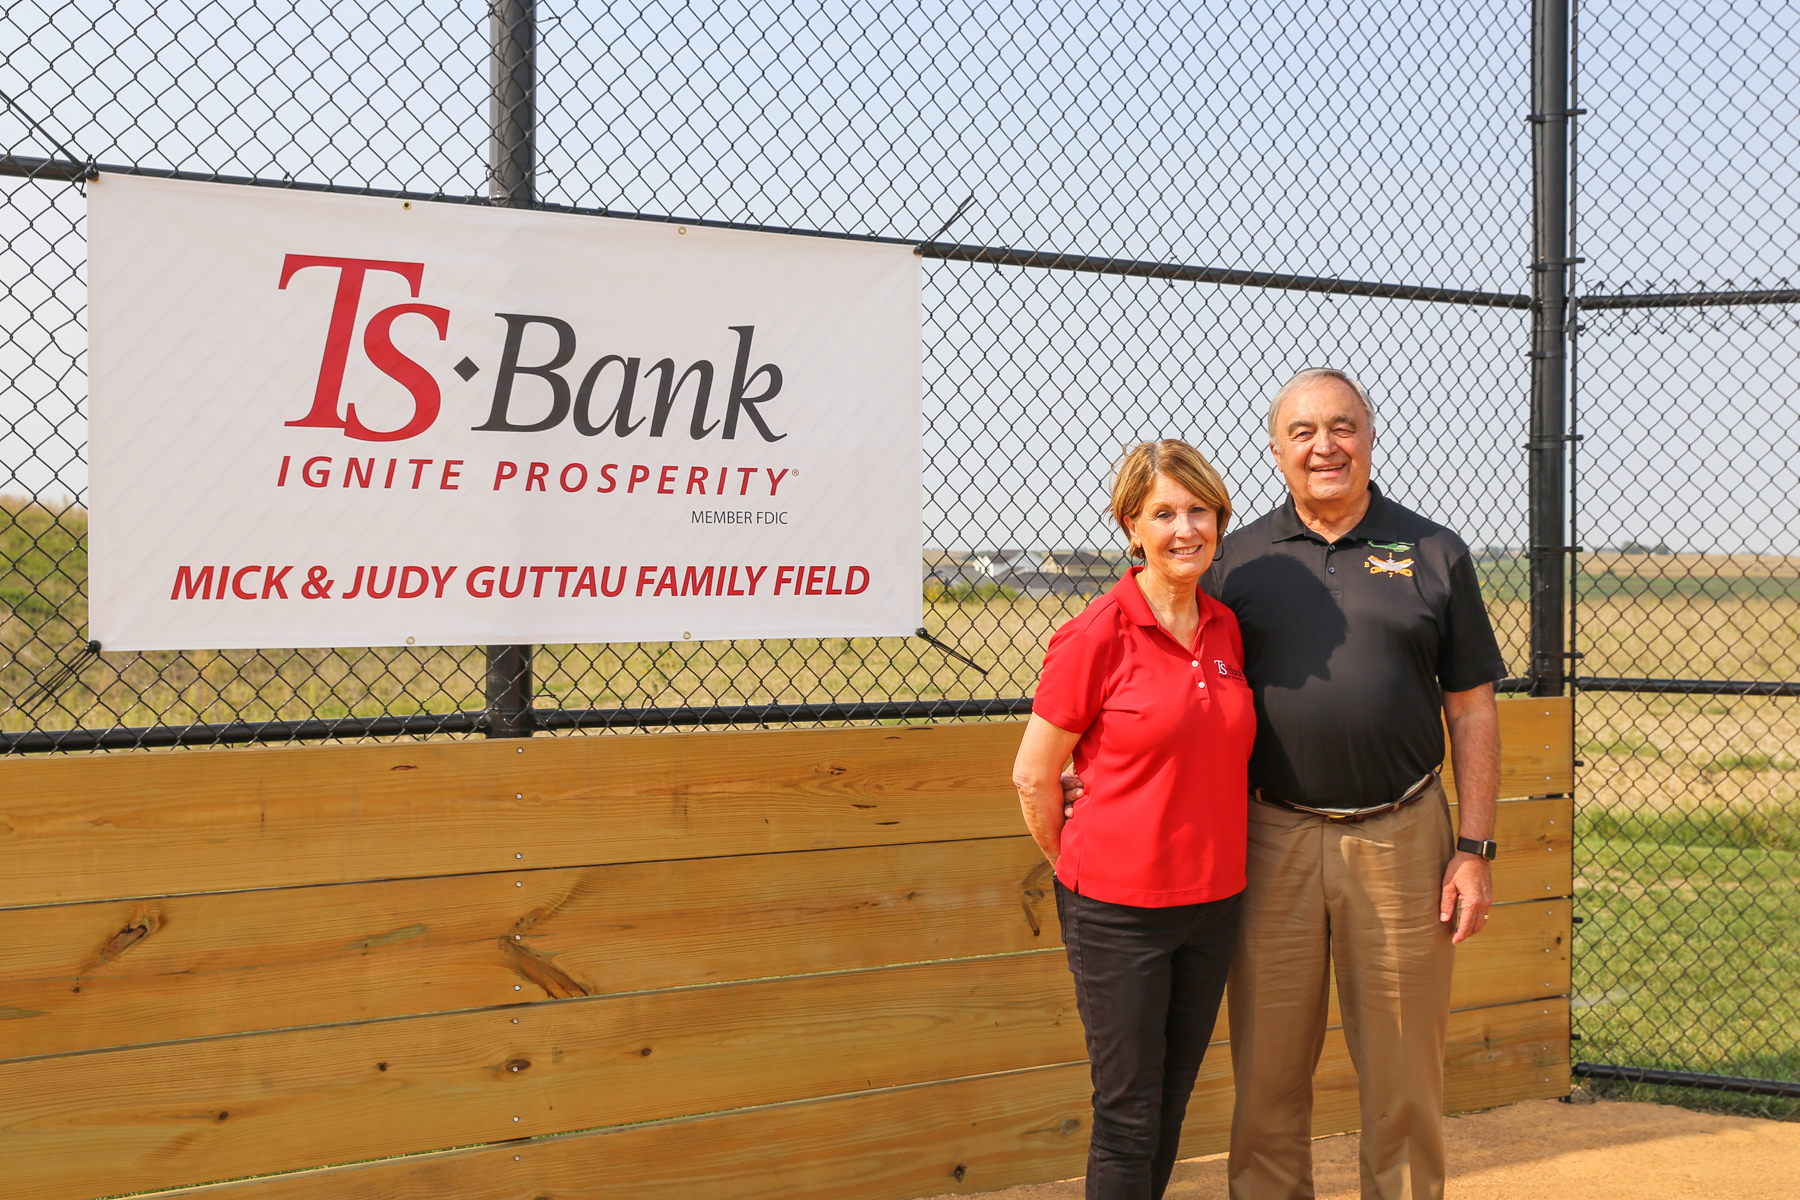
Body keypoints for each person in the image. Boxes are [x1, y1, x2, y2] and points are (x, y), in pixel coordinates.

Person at [1065, 369, 1504, 1200]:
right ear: (1276, 451)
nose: (1324, 446)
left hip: (1405, 832)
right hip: (1268, 838)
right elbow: (1155, 670)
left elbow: (1474, 714)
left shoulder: (1436, 553)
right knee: (1266, 1076)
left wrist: (1474, 847)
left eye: (1342, 427)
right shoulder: (1237, 562)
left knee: (1406, 1077)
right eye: (1302, 432)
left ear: (1371, 437)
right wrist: (1091, 778)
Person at [1013, 439, 1256, 1200]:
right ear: (1131, 526)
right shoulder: (1097, 633)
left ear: (1218, 520)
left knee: (1170, 1102)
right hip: (1117, 911)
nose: (1184, 528)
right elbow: (1032, 773)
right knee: (1128, 1115)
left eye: (1198, 510)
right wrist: (1078, 863)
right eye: (1163, 513)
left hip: (1213, 905)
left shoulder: (1224, 628)